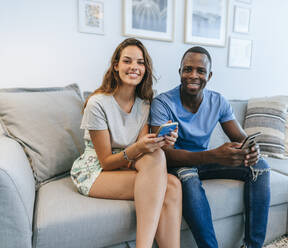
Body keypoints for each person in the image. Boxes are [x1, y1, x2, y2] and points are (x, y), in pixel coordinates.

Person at [150, 46, 271, 248]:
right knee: (188, 176)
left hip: (205, 162)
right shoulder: (162, 103)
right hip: (179, 164)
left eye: (201, 71)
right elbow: (164, 155)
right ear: (180, 72)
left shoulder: (218, 101)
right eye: (187, 69)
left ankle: (252, 246)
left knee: (261, 166)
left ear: (210, 75)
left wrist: (252, 149)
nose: (193, 75)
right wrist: (212, 156)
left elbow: (241, 137)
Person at [70, 38, 182, 248]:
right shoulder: (97, 103)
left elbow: (143, 151)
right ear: (116, 66)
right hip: (96, 169)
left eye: (140, 63)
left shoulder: (144, 104)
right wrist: (139, 148)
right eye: (127, 61)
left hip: (128, 162)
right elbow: (106, 162)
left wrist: (163, 141)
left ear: (145, 69)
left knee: (172, 182)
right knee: (169, 184)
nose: (134, 67)